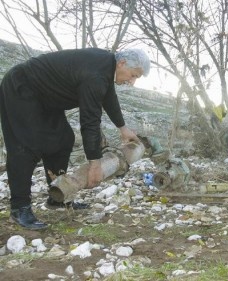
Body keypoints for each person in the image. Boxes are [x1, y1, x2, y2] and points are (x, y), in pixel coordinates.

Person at [0, 48, 150, 230]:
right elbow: (90, 121)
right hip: (22, 88)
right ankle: (19, 208)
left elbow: (109, 97)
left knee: (63, 140)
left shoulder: (106, 67)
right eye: (133, 75)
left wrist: (123, 128)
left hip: (47, 98)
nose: (132, 82)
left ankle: (58, 194)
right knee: (26, 147)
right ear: (122, 63)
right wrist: (95, 164)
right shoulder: (96, 74)